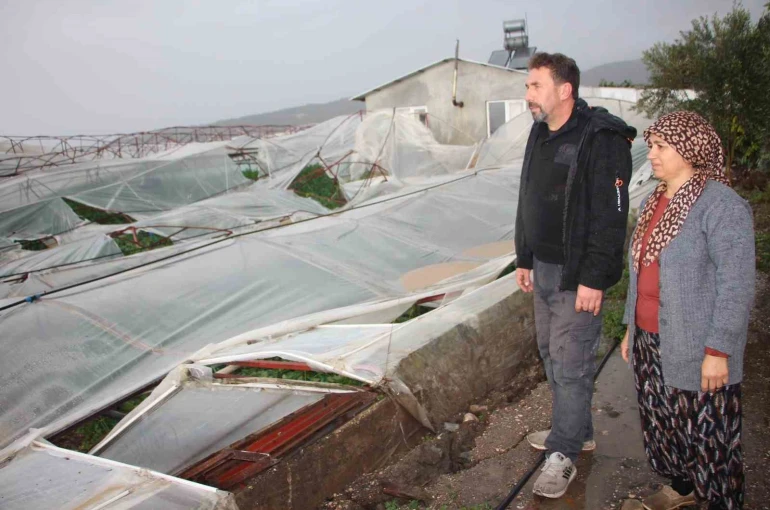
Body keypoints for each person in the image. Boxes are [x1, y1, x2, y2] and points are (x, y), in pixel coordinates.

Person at [514, 52, 636, 499]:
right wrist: (524, 256)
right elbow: (528, 193)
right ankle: (577, 433)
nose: (528, 94)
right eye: (527, 86)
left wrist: (595, 278)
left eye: (536, 86)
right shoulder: (539, 132)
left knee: (571, 363)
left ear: (564, 90)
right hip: (544, 268)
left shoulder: (600, 138)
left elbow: (611, 216)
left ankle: (562, 453)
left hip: (577, 274)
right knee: (552, 353)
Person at [619, 111, 754, 510]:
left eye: (661, 146)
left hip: (698, 345)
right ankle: (681, 488)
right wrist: (630, 328)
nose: (652, 154)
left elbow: (737, 284)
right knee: (662, 420)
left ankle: (722, 500)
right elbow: (640, 269)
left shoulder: (721, 206)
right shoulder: (654, 201)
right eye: (652, 145)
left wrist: (718, 350)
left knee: (711, 435)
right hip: (650, 338)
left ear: (691, 150)